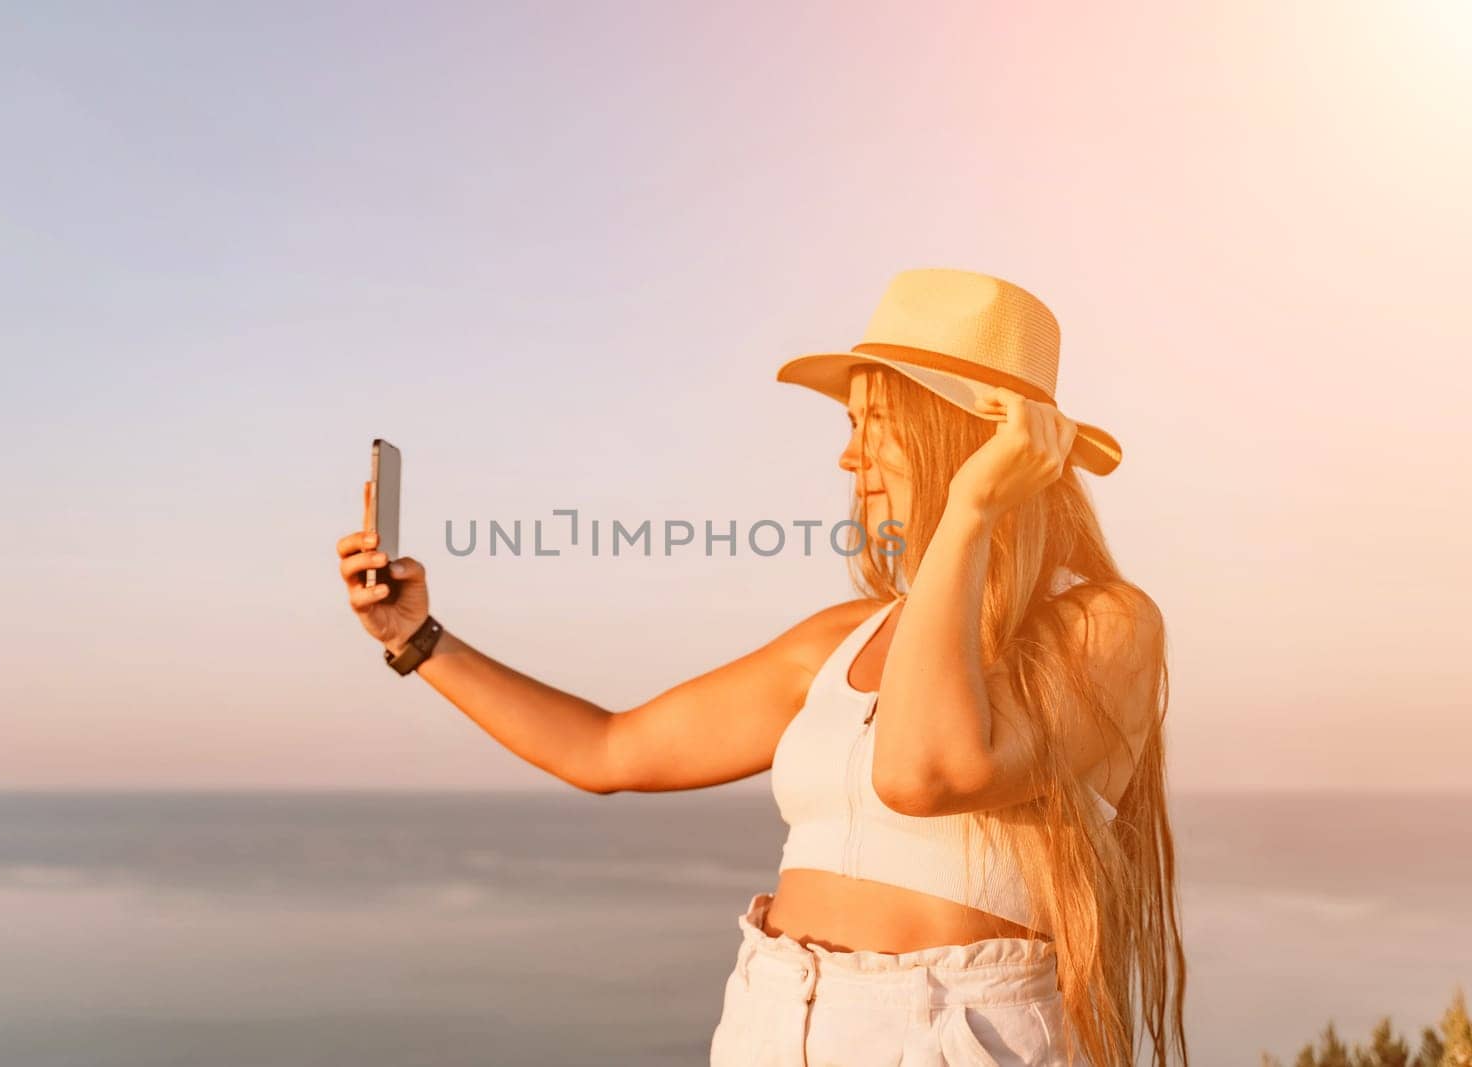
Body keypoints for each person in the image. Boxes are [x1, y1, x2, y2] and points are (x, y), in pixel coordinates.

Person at [334, 268, 1187, 1067]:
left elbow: (924, 771)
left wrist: (969, 510)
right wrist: (416, 638)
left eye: (872, 424)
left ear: (964, 441)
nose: (848, 460)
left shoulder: (1103, 624)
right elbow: (608, 749)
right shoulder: (839, 639)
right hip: (772, 1020)